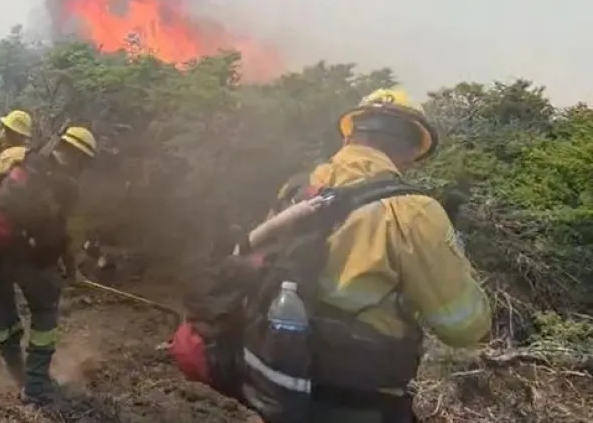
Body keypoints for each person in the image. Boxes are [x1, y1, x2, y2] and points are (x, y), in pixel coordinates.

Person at [171, 88, 492, 423]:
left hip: (275, 385)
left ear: (349, 137)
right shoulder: (414, 211)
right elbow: (464, 328)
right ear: (412, 151)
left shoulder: (299, 188)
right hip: (359, 401)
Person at [0, 125, 97, 406]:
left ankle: (18, 375)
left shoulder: (15, 154)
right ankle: (35, 385)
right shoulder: (69, 188)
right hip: (30, 258)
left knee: (3, 318)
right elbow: (69, 238)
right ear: (79, 158)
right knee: (45, 312)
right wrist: (72, 273)